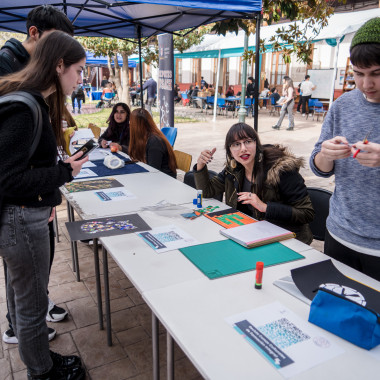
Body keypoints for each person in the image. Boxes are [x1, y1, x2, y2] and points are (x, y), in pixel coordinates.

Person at [0, 30, 87, 380]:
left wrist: (54, 180)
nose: (81, 80)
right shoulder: (25, 106)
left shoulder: (34, 101)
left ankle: (41, 359)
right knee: (32, 303)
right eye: (78, 70)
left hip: (25, 216)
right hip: (21, 220)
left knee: (26, 298)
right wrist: (64, 172)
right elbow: (8, 180)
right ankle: (42, 372)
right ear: (59, 65)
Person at [310, 17, 380, 281]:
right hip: (339, 234)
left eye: (376, 73)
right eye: (358, 74)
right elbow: (318, 167)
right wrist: (325, 155)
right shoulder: (343, 105)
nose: (365, 84)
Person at [194, 123, 314, 244]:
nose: (243, 148)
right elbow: (207, 191)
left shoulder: (280, 170)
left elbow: (307, 213)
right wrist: (201, 165)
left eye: (248, 141)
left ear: (256, 144)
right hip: (252, 233)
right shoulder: (234, 169)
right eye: (236, 144)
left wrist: (265, 207)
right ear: (230, 151)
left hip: (287, 238)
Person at [128, 108, 177, 178]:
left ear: (136, 126)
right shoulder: (145, 137)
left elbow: (153, 170)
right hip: (157, 177)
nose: (129, 124)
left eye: (131, 122)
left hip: (165, 181)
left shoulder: (154, 142)